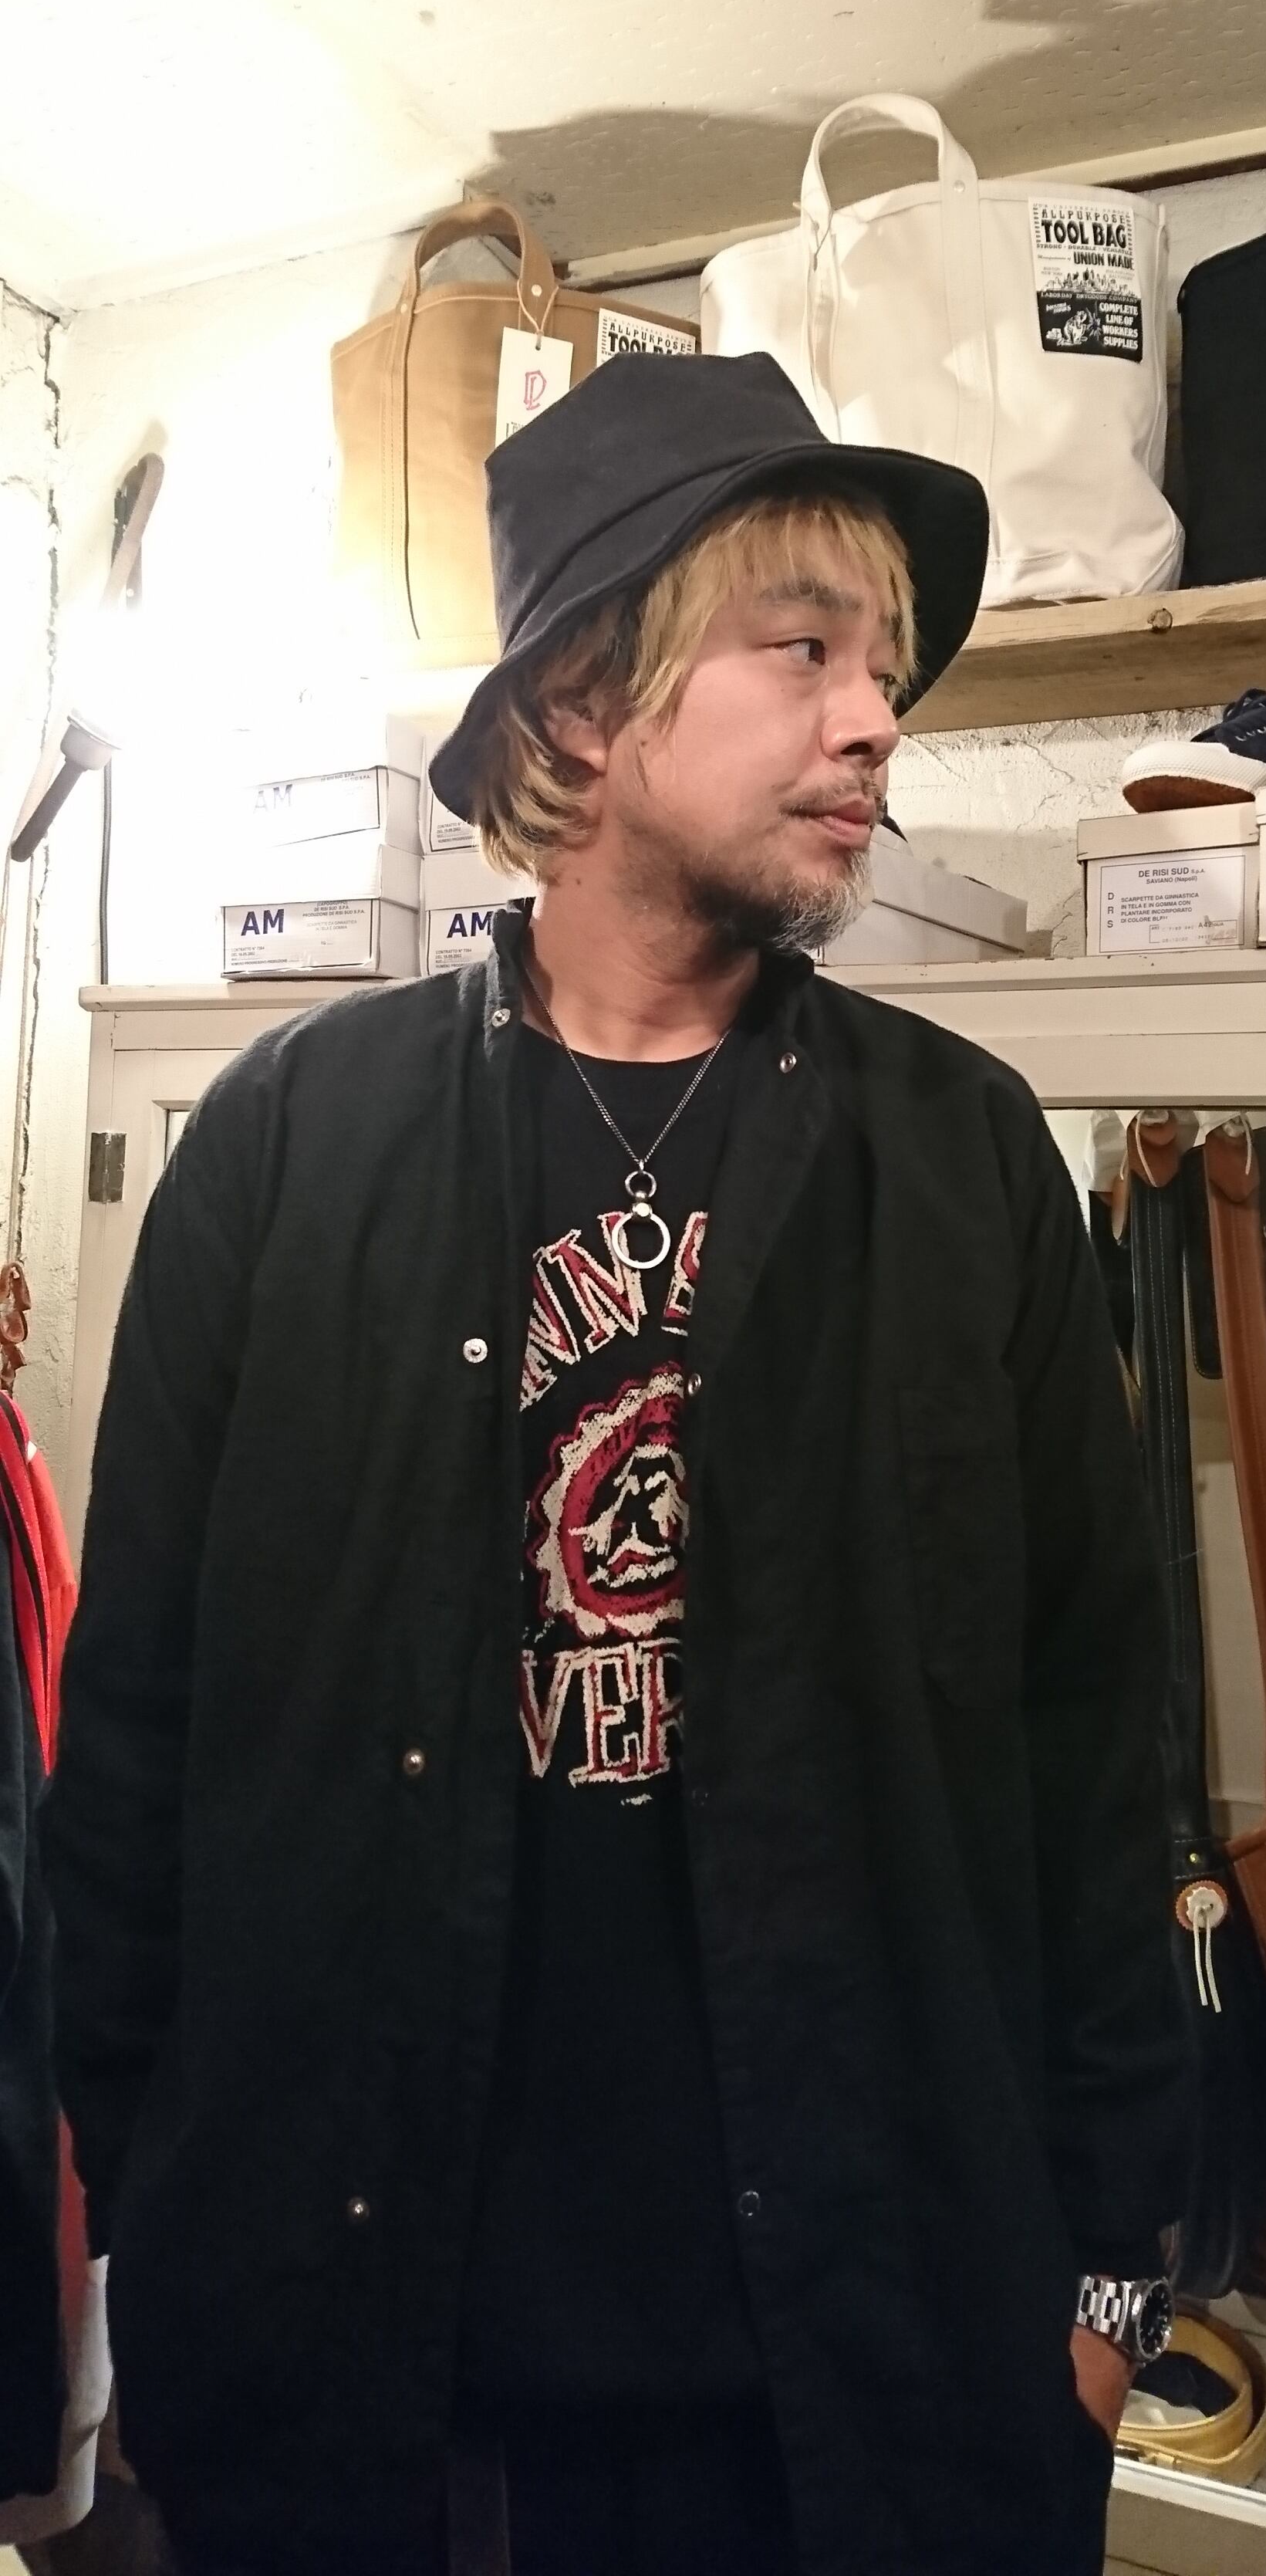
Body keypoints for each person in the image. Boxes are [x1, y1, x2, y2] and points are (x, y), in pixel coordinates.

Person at [42, 352, 1187, 2576]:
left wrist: (1111, 2280)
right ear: (579, 704)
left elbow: (1091, 1740)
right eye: (802, 650)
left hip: (861, 2377)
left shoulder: (964, 1162)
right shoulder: (284, 1150)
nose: (876, 721)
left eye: (885, 668)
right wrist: (156, 2205)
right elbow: (139, 1736)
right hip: (361, 2365)